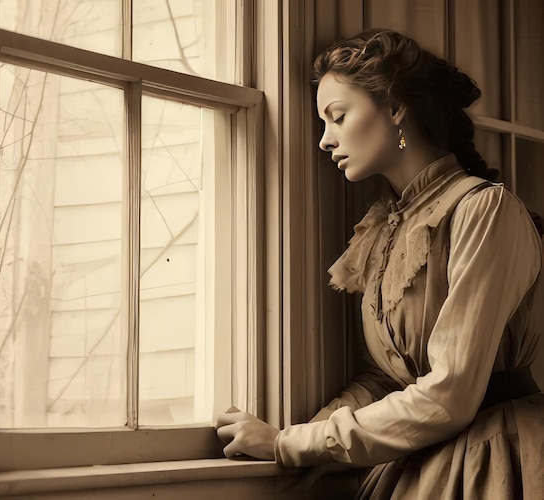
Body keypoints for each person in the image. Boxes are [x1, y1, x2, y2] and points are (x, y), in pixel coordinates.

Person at [216, 29, 543, 499]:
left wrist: (293, 443)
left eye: (338, 117)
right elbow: (386, 377)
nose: (325, 141)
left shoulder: (483, 210)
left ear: (393, 108)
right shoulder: (385, 228)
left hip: (496, 459)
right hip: (417, 459)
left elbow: (451, 393)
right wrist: (296, 437)